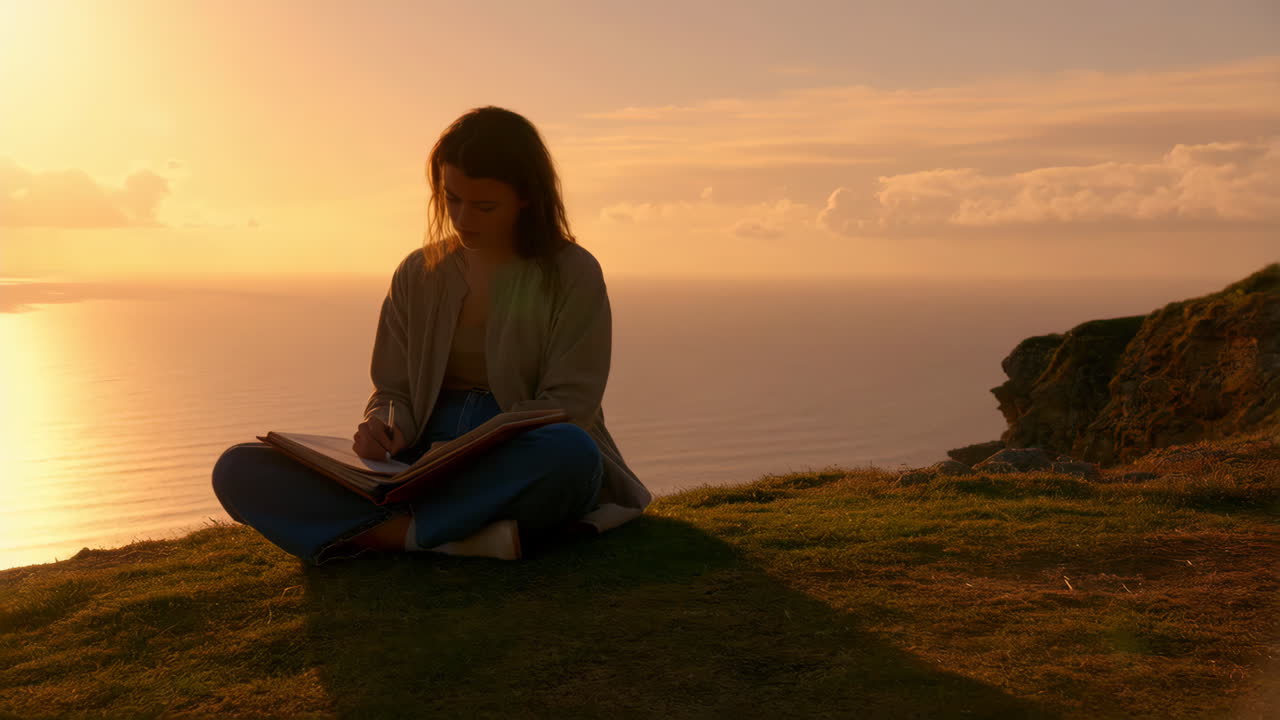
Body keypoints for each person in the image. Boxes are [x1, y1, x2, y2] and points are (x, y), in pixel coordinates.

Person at [211, 106, 653, 566]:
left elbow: (570, 405)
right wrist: (386, 429)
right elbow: (392, 389)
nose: (462, 218)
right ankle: (452, 534)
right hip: (417, 457)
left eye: (483, 206)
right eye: (452, 199)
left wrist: (463, 451)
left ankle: (389, 534)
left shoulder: (573, 272)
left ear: (527, 198)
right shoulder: (417, 273)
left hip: (516, 453)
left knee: (571, 455)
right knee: (239, 466)